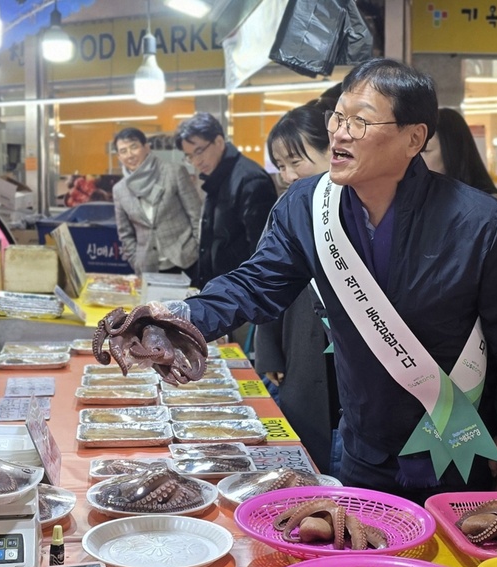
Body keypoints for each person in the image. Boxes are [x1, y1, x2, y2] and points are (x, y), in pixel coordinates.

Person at [180, 58, 497, 503]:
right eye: (337, 116)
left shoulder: (474, 220)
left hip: (459, 444)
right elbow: (256, 283)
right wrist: (184, 317)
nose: (340, 132)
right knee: (366, 563)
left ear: (414, 138)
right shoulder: (307, 205)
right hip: (364, 447)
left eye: (361, 120)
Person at [254, 102, 340, 474]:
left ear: (330, 150)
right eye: (281, 166)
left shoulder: (361, 205)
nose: (288, 175)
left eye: (295, 162)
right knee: (309, 444)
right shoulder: (286, 208)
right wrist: (270, 352)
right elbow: (262, 282)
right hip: (301, 345)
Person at [174, 113, 279, 289]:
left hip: (240, 294)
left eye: (199, 151)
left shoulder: (250, 179)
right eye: (189, 156)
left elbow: (262, 251)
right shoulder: (216, 177)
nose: (196, 161)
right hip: (221, 290)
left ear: (219, 142)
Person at [111, 128, 202, 277]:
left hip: (186, 261)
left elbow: (196, 215)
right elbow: (125, 233)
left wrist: (197, 250)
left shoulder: (174, 172)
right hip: (149, 267)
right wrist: (136, 260)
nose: (130, 155)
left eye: (134, 147)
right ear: (119, 157)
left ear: (146, 147)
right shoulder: (120, 190)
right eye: (123, 151)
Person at [421, 108, 497, 231]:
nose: (416, 161)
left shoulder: (488, 207)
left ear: (452, 151)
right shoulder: (424, 201)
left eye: (425, 151)